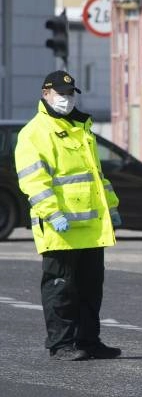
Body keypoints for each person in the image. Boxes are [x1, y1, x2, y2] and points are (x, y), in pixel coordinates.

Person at [14, 70, 122, 361]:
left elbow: (96, 176)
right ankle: (61, 344)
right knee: (60, 287)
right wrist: (52, 213)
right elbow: (34, 181)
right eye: (61, 93)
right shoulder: (35, 133)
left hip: (90, 226)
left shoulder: (81, 128)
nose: (67, 98)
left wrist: (111, 207)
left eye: (71, 93)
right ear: (45, 94)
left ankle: (89, 341)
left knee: (90, 288)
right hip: (59, 226)